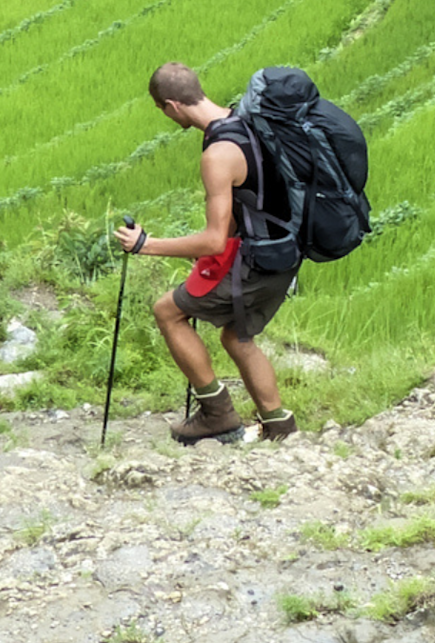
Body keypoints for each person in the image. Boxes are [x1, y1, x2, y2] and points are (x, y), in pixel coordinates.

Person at [114, 62, 298, 445]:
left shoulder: (217, 154)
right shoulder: (244, 120)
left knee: (168, 311)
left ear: (171, 106)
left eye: (162, 112)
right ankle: (279, 426)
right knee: (237, 336)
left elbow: (215, 239)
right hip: (284, 253)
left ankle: (217, 415)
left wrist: (147, 245)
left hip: (256, 260)